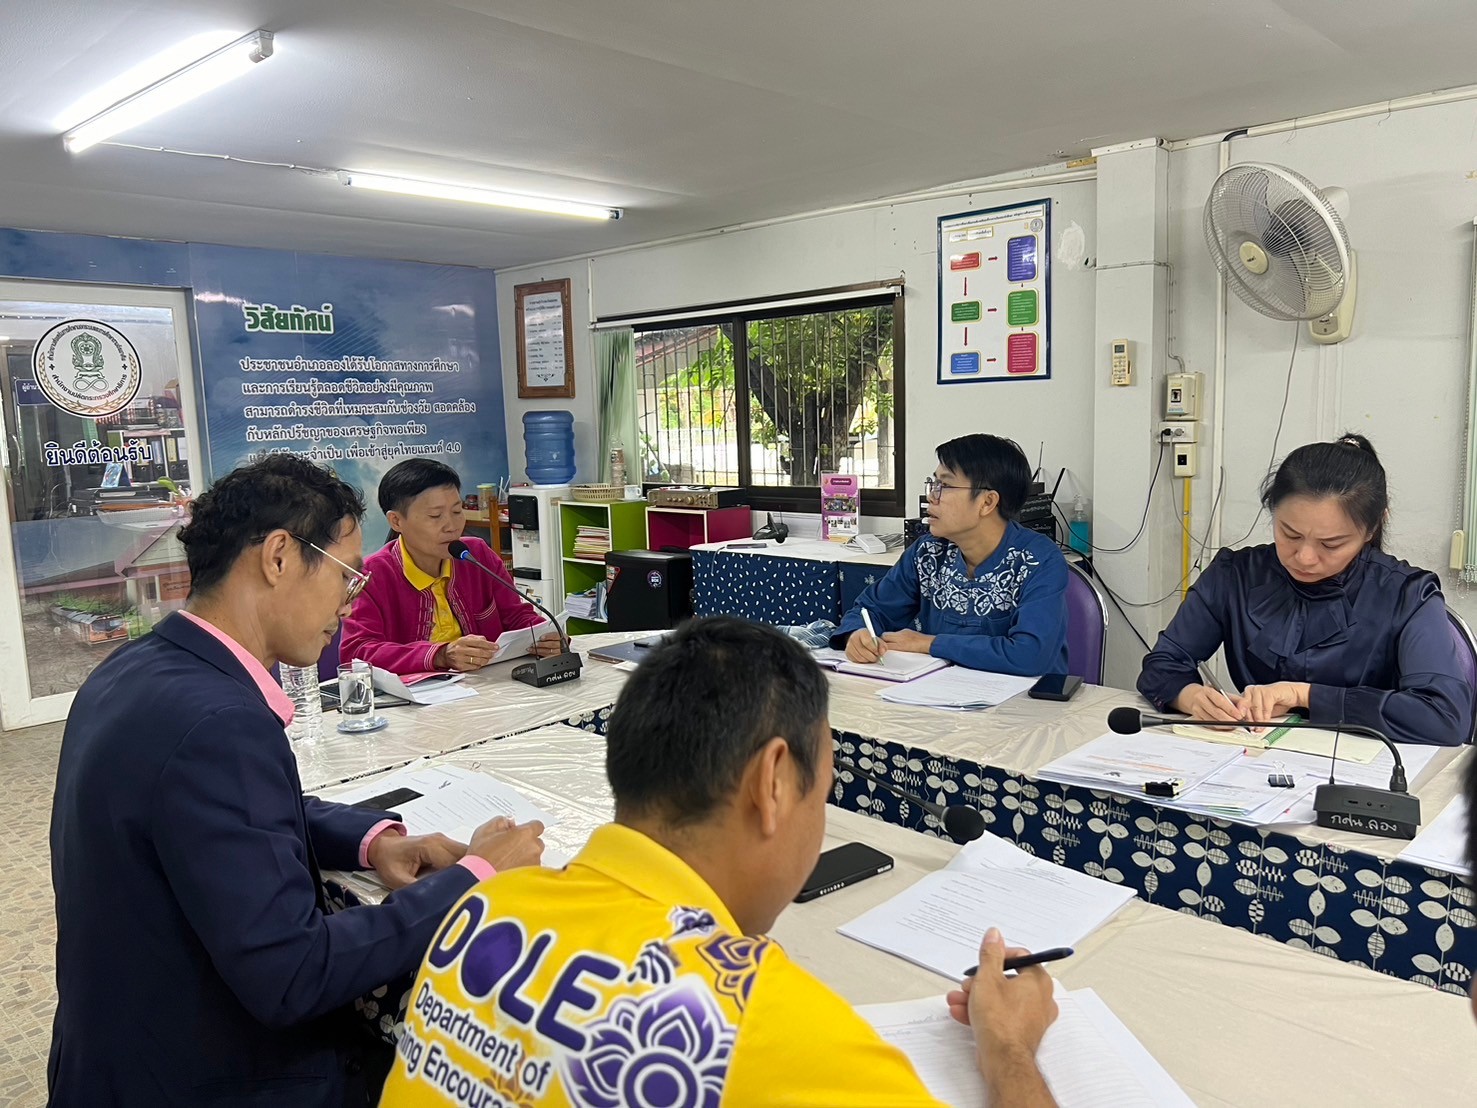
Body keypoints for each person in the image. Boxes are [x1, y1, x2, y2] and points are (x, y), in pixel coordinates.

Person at [379, 616, 1059, 1107]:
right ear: (773, 784)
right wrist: (1008, 1048)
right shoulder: (768, 1027)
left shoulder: (489, 907)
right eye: (821, 790)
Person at [48, 454, 546, 1107]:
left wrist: (373, 841)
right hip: (211, 1077)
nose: (348, 602)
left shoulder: (136, 670)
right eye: (345, 575)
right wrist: (472, 879)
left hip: (115, 1054)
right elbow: (294, 973)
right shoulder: (220, 723)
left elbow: (230, 813)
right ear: (279, 557)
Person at [1138, 434, 1472, 746]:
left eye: (1331, 544)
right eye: (1290, 534)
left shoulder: (1408, 595)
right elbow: (1163, 664)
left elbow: (1443, 718)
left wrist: (1305, 695)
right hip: (1254, 760)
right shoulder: (1234, 575)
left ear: (1372, 528)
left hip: (1368, 769)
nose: (1304, 557)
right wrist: (1190, 696)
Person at [831, 434, 1070, 676]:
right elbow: (871, 609)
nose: (931, 497)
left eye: (944, 486)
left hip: (1028, 695)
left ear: (987, 502)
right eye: (933, 484)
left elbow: (1030, 654)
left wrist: (929, 644)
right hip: (941, 690)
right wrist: (857, 634)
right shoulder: (929, 552)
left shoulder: (1038, 560)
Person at [340, 458, 560, 674]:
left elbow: (516, 616)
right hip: (416, 695)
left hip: (487, 685)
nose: (452, 526)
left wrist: (546, 636)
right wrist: (439, 655)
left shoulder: (477, 555)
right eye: (435, 516)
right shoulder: (372, 575)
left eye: (457, 511)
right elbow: (356, 652)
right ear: (396, 521)